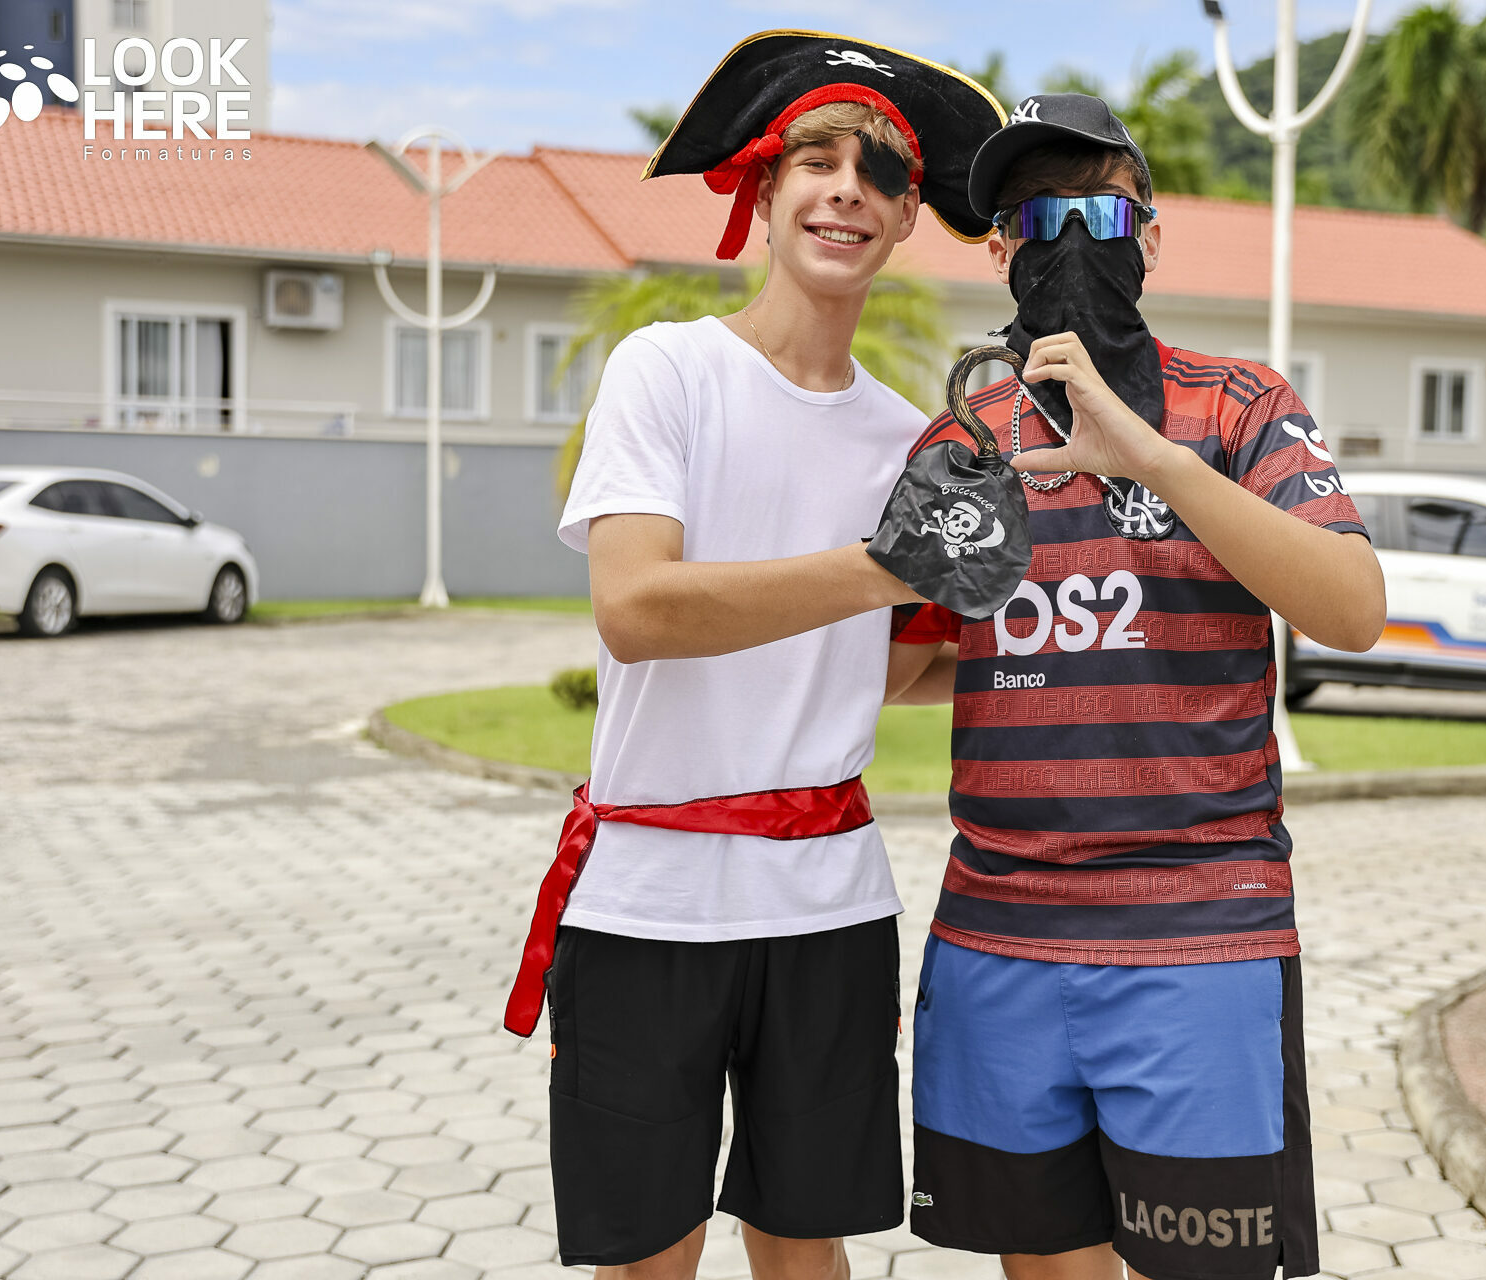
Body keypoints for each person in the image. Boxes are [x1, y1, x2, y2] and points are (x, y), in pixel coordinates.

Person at [500, 33, 1002, 1280]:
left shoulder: (909, 440)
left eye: (881, 173)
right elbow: (637, 607)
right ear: (762, 190)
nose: (847, 190)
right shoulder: (667, 370)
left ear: (906, 219)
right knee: (648, 1254)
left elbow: (880, 671)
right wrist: (883, 567)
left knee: (804, 1243)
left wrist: (1082, 654)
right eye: (816, 161)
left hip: (830, 903)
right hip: (646, 895)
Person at [889, 94, 1387, 1280]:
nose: (1068, 239)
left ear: (1150, 237)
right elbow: (903, 665)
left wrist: (1151, 459)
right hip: (999, 937)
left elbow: (1353, 608)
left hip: (1199, 935)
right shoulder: (961, 438)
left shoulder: (1240, 405)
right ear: (998, 253)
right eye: (1034, 218)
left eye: (1100, 212)